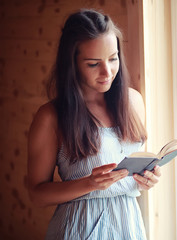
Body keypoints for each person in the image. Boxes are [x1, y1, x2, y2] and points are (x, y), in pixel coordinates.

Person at [27, 9, 160, 239]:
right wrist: (89, 183)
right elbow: (37, 195)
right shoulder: (51, 117)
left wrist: (147, 179)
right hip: (78, 228)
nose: (107, 72)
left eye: (113, 58)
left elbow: (129, 178)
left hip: (128, 225)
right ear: (73, 64)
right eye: (93, 64)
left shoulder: (133, 102)